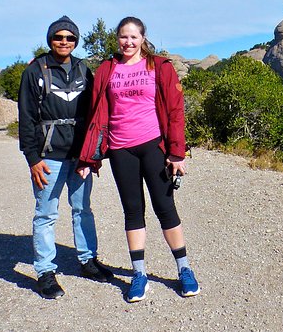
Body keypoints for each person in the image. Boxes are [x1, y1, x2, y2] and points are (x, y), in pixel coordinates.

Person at [77, 16, 200, 302]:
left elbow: (175, 111)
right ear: (117, 39)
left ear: (142, 38)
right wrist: (89, 157)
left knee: (165, 207)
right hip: (121, 149)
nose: (128, 42)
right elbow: (96, 115)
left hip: (153, 147)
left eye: (133, 37)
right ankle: (139, 274)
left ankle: (184, 269)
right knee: (133, 211)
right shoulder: (107, 69)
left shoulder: (159, 66)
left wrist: (176, 152)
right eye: (123, 37)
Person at [18, 15, 112, 300]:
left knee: (83, 208)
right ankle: (45, 271)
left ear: (76, 41)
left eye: (70, 38)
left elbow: (97, 113)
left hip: (80, 156)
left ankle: (88, 260)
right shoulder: (35, 71)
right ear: (50, 40)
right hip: (48, 156)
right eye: (59, 37)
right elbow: (26, 118)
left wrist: (93, 154)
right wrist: (32, 158)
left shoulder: (84, 70)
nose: (64, 42)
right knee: (46, 213)